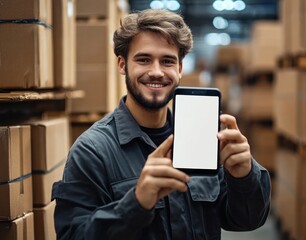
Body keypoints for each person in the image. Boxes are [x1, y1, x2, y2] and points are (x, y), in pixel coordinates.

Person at [52, 9, 271, 240]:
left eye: (167, 61)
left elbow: (246, 220)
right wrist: (136, 203)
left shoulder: (204, 138)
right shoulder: (93, 151)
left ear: (179, 69)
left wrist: (244, 176)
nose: (156, 72)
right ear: (122, 65)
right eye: (144, 59)